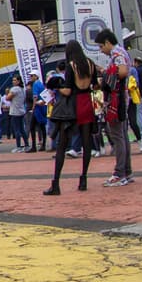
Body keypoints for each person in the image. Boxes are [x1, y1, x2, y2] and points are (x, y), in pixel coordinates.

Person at [44, 41, 97, 195]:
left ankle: (56, 184)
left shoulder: (71, 66)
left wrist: (57, 86)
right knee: (86, 143)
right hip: (86, 102)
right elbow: (95, 85)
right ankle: (83, 178)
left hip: (73, 105)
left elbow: (67, 90)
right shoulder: (90, 63)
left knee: (62, 144)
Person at [96, 30, 133, 186]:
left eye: (100, 46)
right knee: (122, 137)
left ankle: (119, 173)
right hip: (121, 100)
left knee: (117, 137)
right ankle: (127, 171)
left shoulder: (116, 54)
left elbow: (122, 72)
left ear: (107, 42)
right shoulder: (120, 53)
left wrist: (106, 78)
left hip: (116, 101)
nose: (100, 50)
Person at [5, 75, 28, 152]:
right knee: (22, 129)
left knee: (17, 129)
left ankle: (18, 146)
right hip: (21, 110)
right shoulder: (22, 89)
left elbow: (7, 98)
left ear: (18, 81)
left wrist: (8, 94)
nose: (13, 81)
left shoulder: (14, 89)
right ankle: (26, 145)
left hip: (15, 111)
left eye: (15, 80)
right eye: (13, 80)